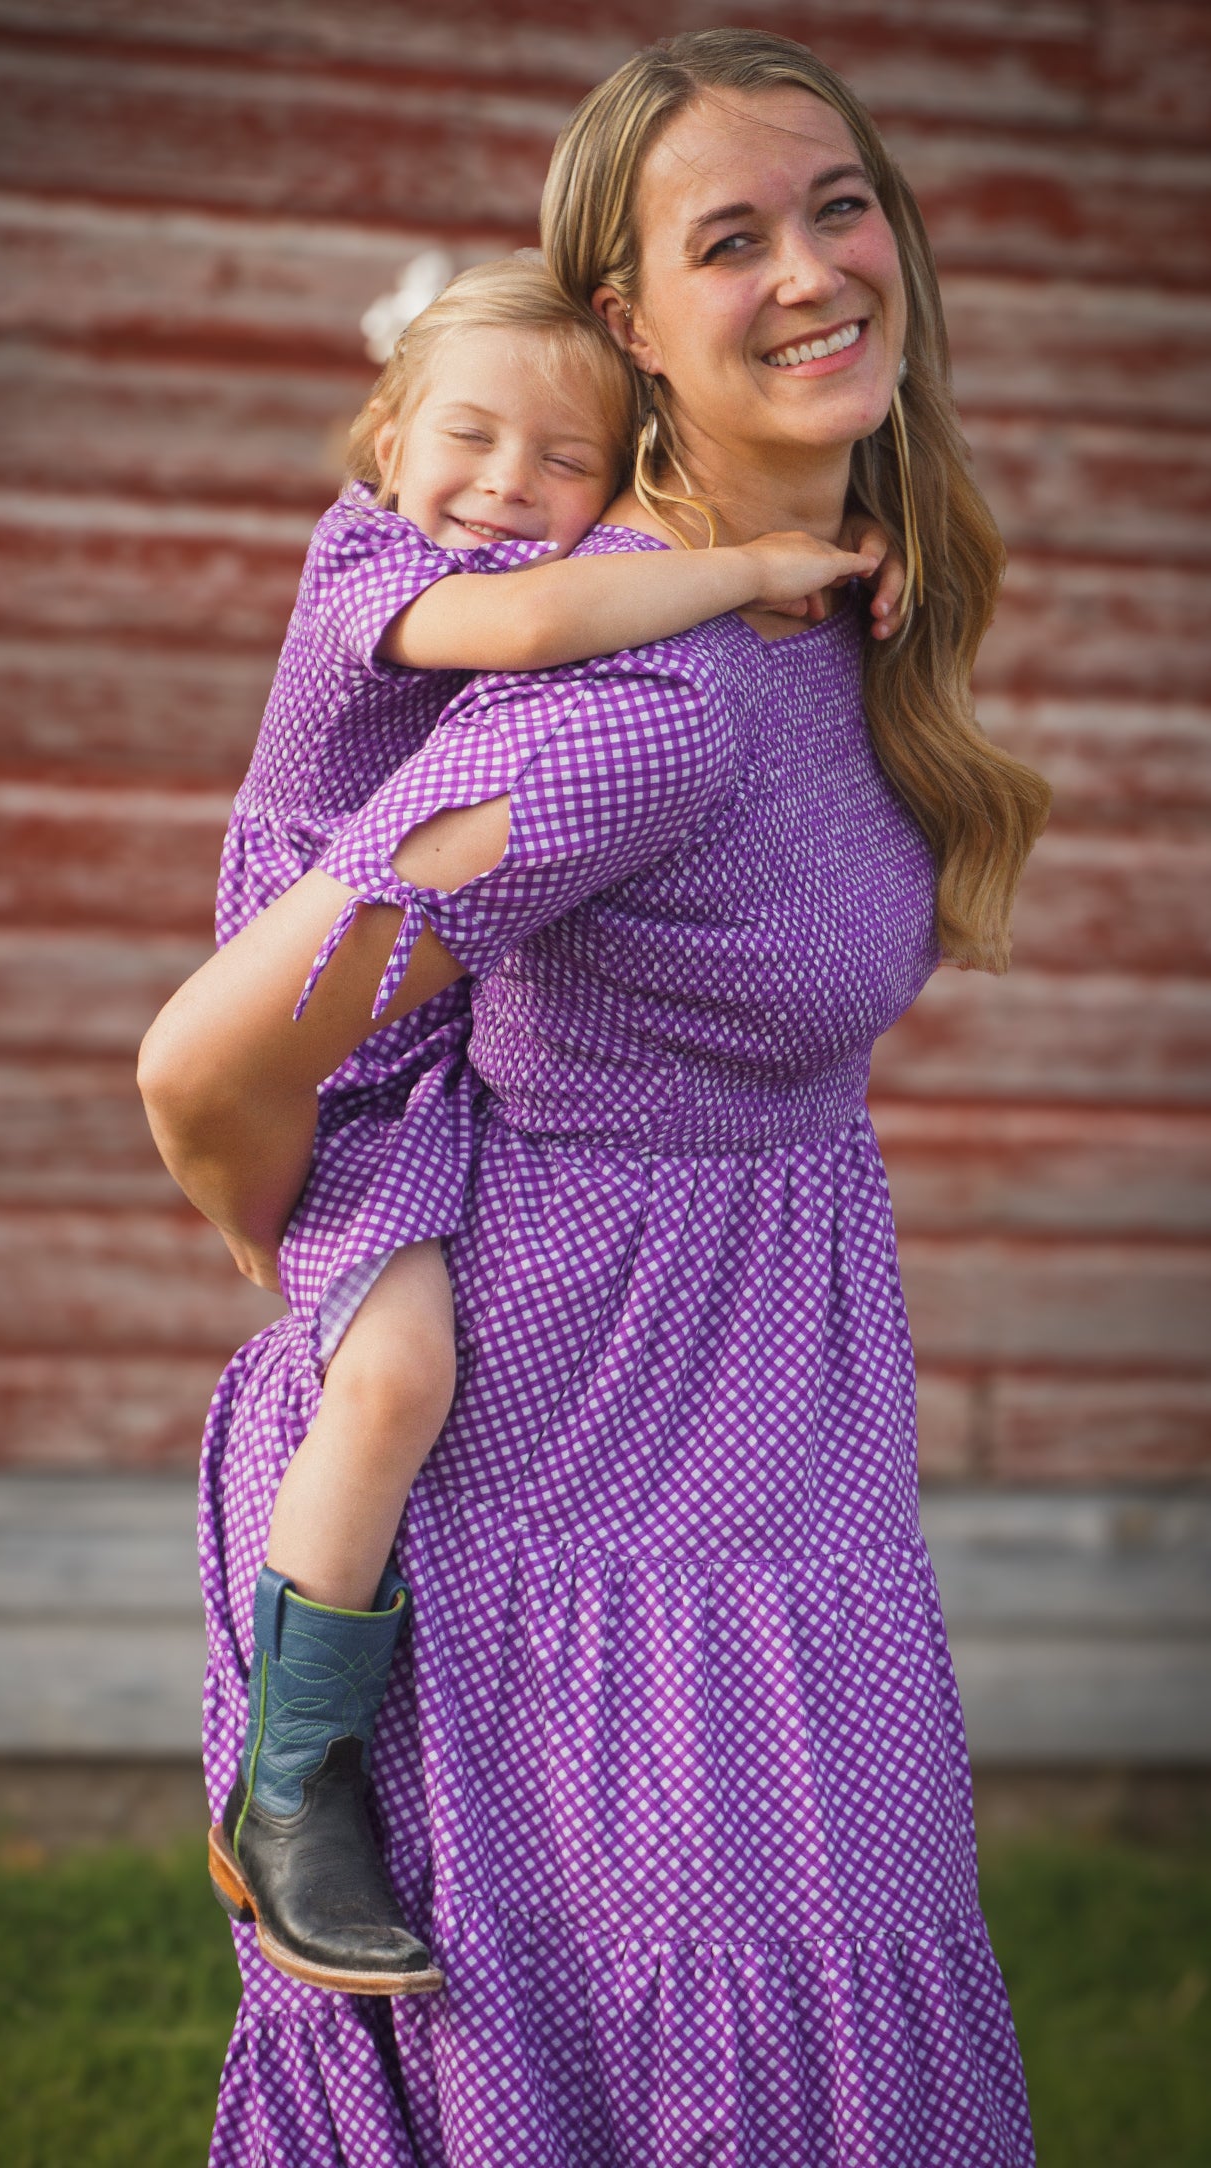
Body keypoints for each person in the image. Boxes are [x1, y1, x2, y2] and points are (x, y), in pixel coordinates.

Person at [139, 25, 1050, 2164]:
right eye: (729, 238)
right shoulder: (626, 720)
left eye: (840, 204)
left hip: (755, 1425)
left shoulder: (825, 614)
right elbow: (207, 1055)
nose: (815, 267)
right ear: (629, 327)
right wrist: (333, 1269)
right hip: (556, 1466)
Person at [187, 253, 895, 1995]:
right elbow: (523, 631)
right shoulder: (380, 563)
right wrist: (745, 569)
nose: (503, 487)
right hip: (336, 1033)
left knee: (415, 1363)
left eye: (555, 463)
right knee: (393, 1375)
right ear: (386, 435)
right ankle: (284, 1790)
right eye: (467, 436)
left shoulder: (574, 580)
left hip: (429, 1040)